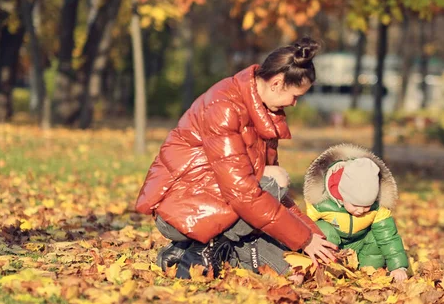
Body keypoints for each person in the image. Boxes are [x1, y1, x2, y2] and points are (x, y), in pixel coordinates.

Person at [135, 37, 337, 279]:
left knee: (295, 268)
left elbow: (274, 197)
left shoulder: (266, 112)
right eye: (295, 96)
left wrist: (314, 237)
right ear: (276, 83)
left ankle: (188, 251)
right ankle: (199, 250)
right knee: (272, 183)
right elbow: (246, 193)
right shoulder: (223, 106)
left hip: (224, 207)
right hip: (183, 211)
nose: (294, 104)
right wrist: (303, 239)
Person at [302, 143, 410, 282]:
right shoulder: (321, 202)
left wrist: (398, 266)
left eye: (367, 206)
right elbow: (305, 228)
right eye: (355, 205)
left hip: (361, 246)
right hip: (334, 246)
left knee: (377, 239)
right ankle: (326, 270)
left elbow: (388, 237)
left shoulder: (378, 207)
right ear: (342, 194)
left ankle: (368, 272)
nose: (361, 210)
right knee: (322, 231)